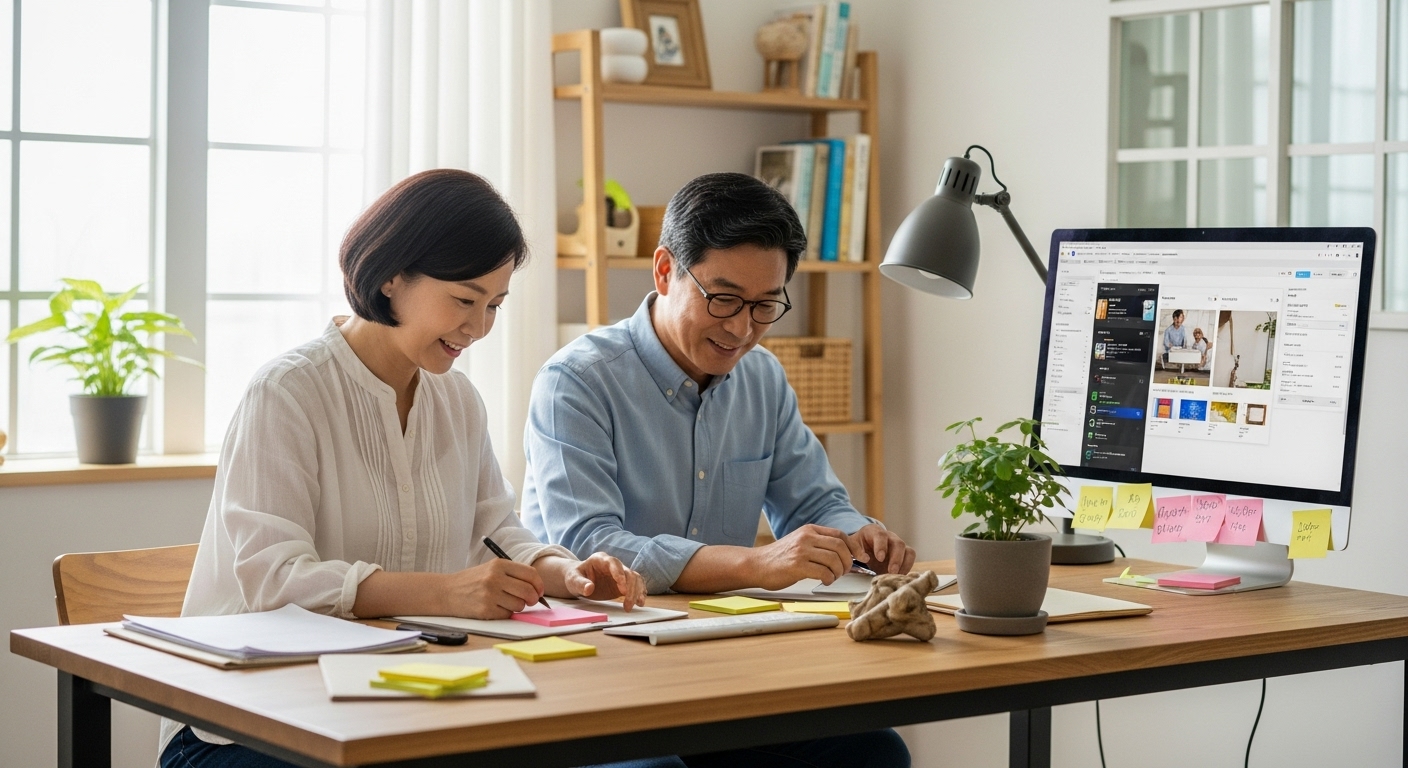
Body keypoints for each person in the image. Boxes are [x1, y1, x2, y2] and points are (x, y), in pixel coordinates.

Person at [160, 170, 648, 768]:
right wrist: (448, 593)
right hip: (247, 723)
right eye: (465, 300)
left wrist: (565, 573)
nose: (479, 327)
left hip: (397, 707)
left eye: (494, 305)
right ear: (391, 276)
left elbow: (497, 533)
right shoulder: (288, 392)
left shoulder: (458, 402)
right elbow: (274, 582)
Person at [522, 172, 912, 768]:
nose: (741, 329)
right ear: (664, 271)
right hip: (598, 666)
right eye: (723, 298)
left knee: (871, 751)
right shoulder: (576, 381)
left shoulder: (762, 378)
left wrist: (856, 535)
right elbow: (590, 545)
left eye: (764, 306)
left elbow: (812, 504)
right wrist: (756, 563)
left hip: (720, 666)